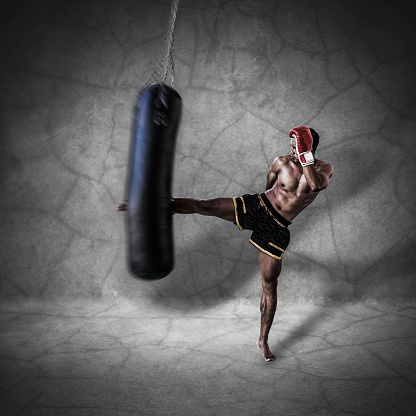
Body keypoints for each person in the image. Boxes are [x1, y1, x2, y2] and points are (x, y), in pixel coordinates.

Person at [118, 126, 333, 362]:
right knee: (205, 205)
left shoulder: (324, 170)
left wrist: (304, 157)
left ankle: (262, 340)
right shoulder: (281, 162)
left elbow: (314, 185)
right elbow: (269, 182)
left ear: (308, 148)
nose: (292, 151)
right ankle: (144, 204)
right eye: (292, 146)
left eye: (297, 147)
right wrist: (264, 203)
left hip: (278, 227)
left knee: (269, 286)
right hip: (259, 207)